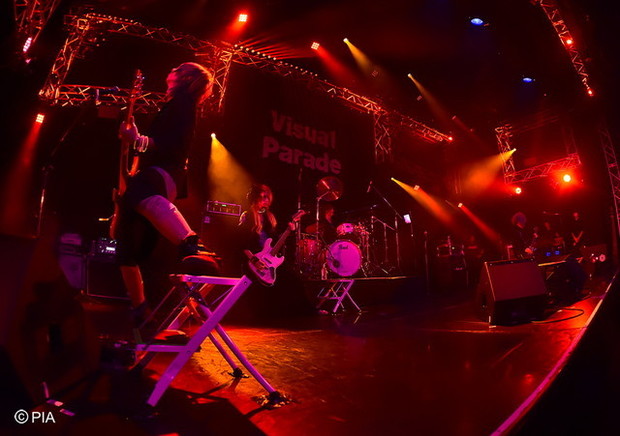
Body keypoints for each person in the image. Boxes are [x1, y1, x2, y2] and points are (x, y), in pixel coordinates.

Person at [115, 62, 219, 324]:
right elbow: (155, 144)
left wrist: (136, 139)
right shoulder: (176, 105)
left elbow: (171, 147)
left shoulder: (183, 105)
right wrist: (136, 140)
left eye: (178, 69)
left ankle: (192, 245)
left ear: (187, 78)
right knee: (126, 246)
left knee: (138, 195)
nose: (171, 70)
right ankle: (140, 307)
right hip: (156, 174)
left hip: (164, 173)